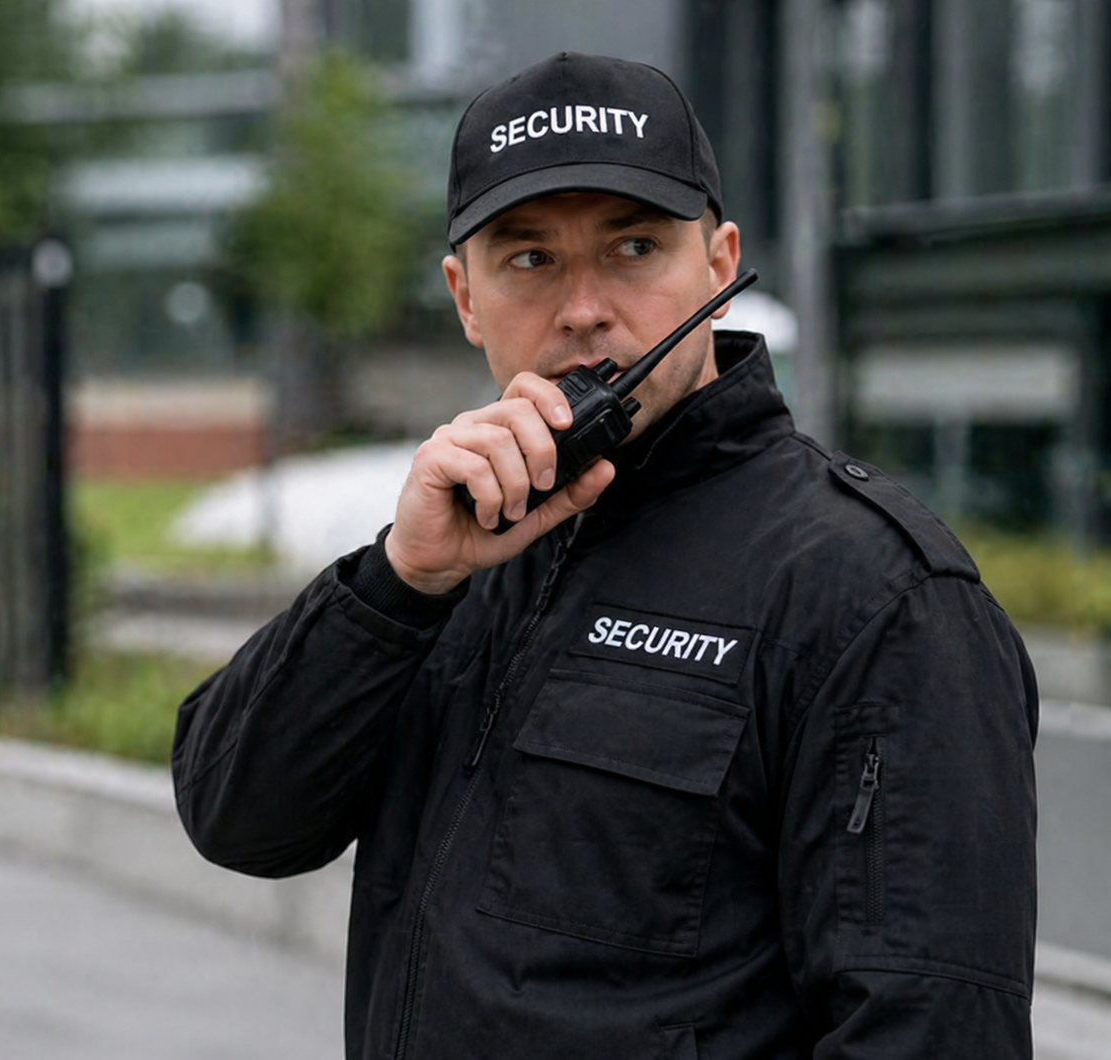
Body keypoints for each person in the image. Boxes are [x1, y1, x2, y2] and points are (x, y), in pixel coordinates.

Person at [172, 52, 1037, 1058]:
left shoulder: (869, 592)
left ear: (717, 266)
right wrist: (398, 584)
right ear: (463, 296)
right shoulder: (455, 553)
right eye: (528, 259)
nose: (582, 306)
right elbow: (237, 818)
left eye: (631, 248)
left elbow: (932, 1027)